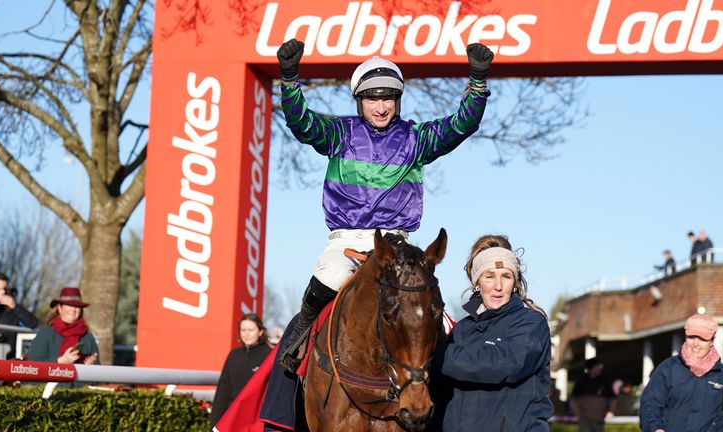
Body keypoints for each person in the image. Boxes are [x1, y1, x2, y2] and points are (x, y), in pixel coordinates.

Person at [275, 38, 493, 372]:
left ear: (398, 100)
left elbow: (461, 125)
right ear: (359, 101)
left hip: (397, 244)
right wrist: (290, 80)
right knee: (331, 275)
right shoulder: (339, 133)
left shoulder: (416, 138)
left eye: (388, 97)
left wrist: (477, 84)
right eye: (372, 98)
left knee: (437, 318)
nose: (380, 107)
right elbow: (302, 123)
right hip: (346, 243)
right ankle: (298, 340)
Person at [433, 234, 552, 431]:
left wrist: (439, 355)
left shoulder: (531, 323)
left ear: (514, 282)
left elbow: (503, 363)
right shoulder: (461, 330)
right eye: (489, 276)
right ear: (477, 282)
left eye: (506, 276)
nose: (498, 286)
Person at [639, 314, 723, 431]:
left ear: (712, 340)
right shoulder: (668, 369)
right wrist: (656, 428)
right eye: (691, 337)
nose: (695, 343)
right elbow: (650, 405)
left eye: (702, 338)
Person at [210, 313, 272, 427]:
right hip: (233, 418)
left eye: (250, 330)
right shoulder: (234, 355)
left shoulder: (269, 356)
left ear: (260, 332)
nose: (246, 334)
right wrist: (214, 424)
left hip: (257, 421)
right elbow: (223, 392)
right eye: (243, 330)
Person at [28, 287, 98, 366]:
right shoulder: (46, 333)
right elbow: (33, 364)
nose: (73, 310)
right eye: (69, 305)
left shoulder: (87, 337)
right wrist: (60, 361)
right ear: (59, 308)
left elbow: (99, 367)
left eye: (77, 306)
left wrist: (91, 366)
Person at [0, 272, 38, 359]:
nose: (1, 292)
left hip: (9, 357)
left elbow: (33, 323)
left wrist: (14, 307)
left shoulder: (12, 307)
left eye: (3, 288)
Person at [571, 357, 617, 432]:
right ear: (591, 368)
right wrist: (577, 413)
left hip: (600, 420)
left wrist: (611, 411)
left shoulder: (605, 381)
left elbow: (613, 399)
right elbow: (573, 399)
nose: (600, 368)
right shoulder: (581, 381)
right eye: (597, 366)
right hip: (584, 420)